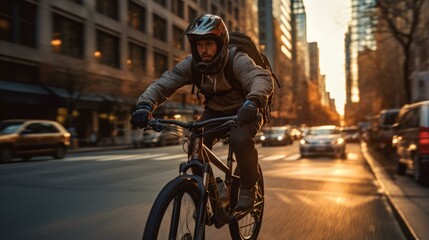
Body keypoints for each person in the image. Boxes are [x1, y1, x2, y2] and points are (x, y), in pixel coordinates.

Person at [130, 14, 273, 211]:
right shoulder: (192, 66)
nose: (203, 49)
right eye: (199, 44)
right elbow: (165, 83)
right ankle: (204, 191)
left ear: (221, 44)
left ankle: (248, 186)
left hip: (246, 110)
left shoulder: (237, 59)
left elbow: (260, 77)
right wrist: (145, 105)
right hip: (214, 113)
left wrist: (253, 101)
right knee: (195, 144)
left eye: (208, 44)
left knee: (239, 141)